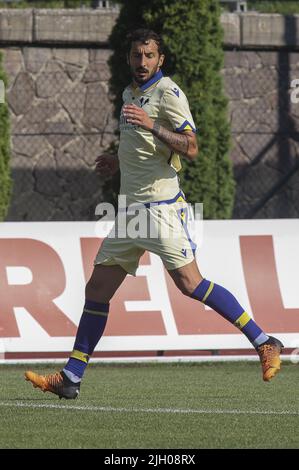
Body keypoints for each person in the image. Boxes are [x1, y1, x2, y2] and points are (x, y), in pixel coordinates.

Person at [25, 29, 283, 400]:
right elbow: (143, 147)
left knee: (191, 285)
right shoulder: (131, 94)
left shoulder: (169, 94)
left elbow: (191, 147)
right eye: (136, 55)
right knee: (96, 290)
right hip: (131, 211)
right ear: (128, 58)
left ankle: (264, 341)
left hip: (160, 209)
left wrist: (152, 125)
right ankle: (72, 376)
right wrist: (119, 161)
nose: (142, 62)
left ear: (160, 60)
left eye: (149, 56)